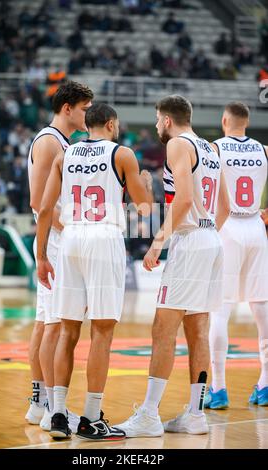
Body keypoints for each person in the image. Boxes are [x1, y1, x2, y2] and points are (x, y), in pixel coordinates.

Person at [36, 103, 153, 440]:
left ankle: (58, 414)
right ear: (112, 124)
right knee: (102, 331)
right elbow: (144, 208)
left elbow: (45, 209)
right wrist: (144, 180)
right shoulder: (122, 154)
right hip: (103, 237)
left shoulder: (65, 154)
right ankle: (89, 418)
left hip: (70, 238)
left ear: (87, 125)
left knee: (67, 331)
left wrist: (43, 255)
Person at [115, 95, 230, 437]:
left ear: (166, 120)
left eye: (156, 120)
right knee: (198, 331)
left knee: (163, 329)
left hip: (191, 240)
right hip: (211, 239)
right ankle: (195, 414)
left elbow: (181, 200)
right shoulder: (211, 148)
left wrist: (159, 241)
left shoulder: (178, 144)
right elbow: (224, 206)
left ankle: (149, 414)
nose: (155, 126)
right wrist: (206, 234)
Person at [25, 81, 93, 432]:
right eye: (84, 108)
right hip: (54, 240)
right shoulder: (50, 141)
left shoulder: (63, 142)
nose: (87, 115)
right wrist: (75, 232)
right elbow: (39, 202)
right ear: (67, 108)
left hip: (56, 238)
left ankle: (39, 403)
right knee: (55, 325)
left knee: (44, 323)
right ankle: (54, 408)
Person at [205, 102, 268, 409]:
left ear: (224, 120)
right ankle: (266, 383)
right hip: (256, 226)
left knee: (220, 310)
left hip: (226, 227)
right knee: (262, 307)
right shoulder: (264, 149)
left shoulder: (214, 149)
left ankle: (218, 389)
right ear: (247, 122)